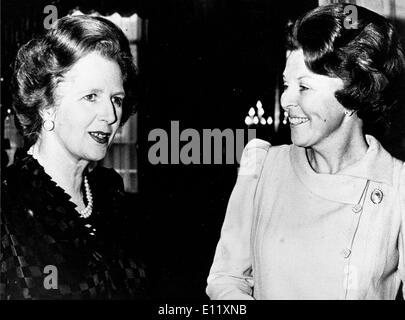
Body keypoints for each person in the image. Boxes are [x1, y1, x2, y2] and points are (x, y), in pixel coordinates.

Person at [206, 3, 405, 300]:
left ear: (353, 96)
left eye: (304, 87)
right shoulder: (261, 166)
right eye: (287, 84)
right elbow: (227, 278)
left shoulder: (398, 187)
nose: (286, 99)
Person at [0, 15, 146, 299]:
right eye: (91, 96)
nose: (111, 115)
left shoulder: (110, 192)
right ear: (47, 107)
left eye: (116, 99)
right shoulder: (8, 203)